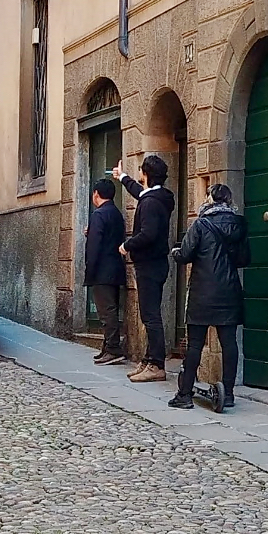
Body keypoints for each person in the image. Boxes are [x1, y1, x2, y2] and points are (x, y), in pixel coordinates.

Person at [169, 183, 250, 410]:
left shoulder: (201, 224)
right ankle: (230, 393)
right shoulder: (239, 225)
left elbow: (185, 254)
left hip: (202, 293)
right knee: (229, 343)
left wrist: (176, 252)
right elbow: (244, 259)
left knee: (195, 343)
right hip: (229, 291)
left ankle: (184, 395)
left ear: (210, 199)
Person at [113, 155, 175, 383]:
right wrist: (123, 178)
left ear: (146, 174)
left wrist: (126, 245)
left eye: (140, 171)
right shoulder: (157, 197)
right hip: (155, 263)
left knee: (150, 316)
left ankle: (157, 364)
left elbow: (148, 233)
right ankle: (150, 359)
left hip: (149, 264)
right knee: (150, 314)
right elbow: (140, 192)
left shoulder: (150, 203)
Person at [84, 179, 127, 366]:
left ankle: (113, 348)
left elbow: (95, 245)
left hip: (102, 269)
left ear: (96, 194)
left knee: (106, 311)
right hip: (115, 266)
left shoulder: (99, 215)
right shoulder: (116, 213)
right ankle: (107, 346)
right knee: (110, 309)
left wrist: (89, 269)